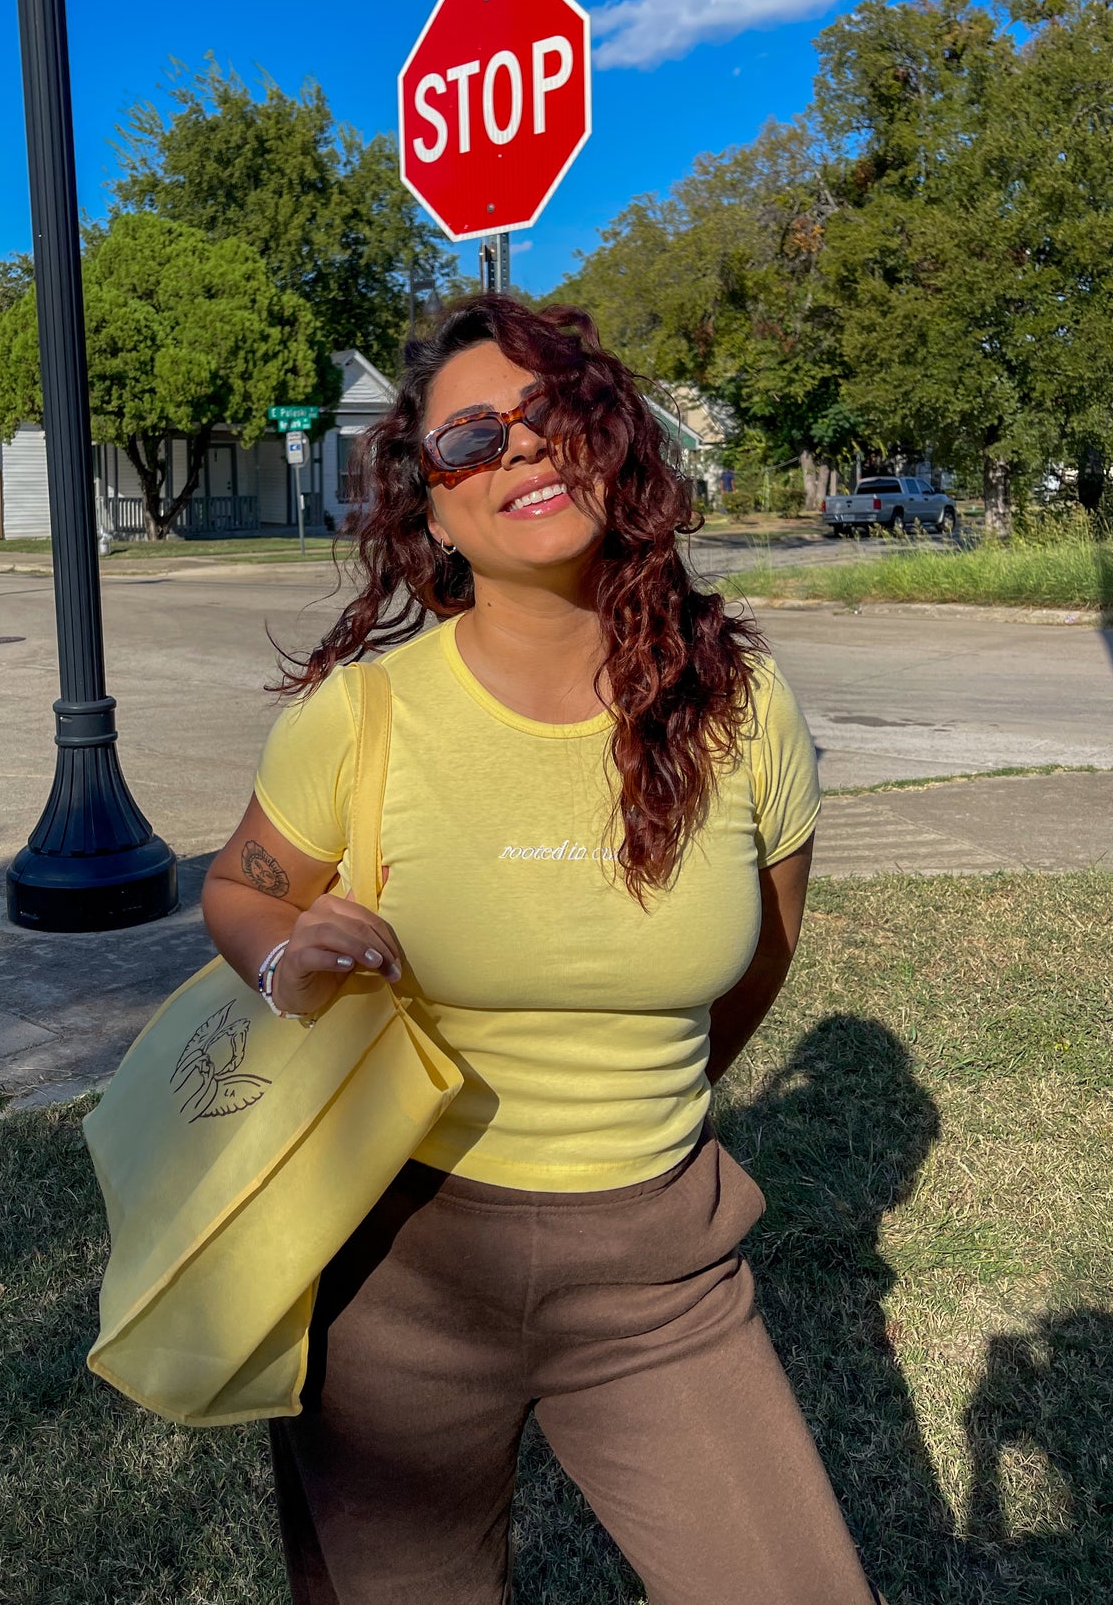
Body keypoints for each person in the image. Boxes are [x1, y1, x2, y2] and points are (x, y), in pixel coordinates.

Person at [201, 295, 881, 1605]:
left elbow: (758, 961)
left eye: (551, 414)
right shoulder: (363, 716)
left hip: (656, 1270)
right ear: (429, 506)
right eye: (470, 437)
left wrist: (626, 1103)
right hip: (393, 1266)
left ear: (611, 443)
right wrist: (289, 954)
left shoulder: (742, 709)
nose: (519, 450)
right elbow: (241, 890)